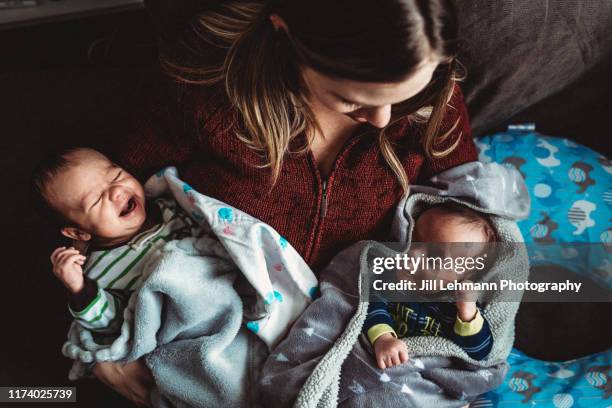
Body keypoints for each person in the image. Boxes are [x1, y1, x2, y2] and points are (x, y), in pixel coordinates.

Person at [94, 0, 478, 405]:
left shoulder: (434, 94)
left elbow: (474, 208)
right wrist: (103, 342)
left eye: (403, 98)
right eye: (351, 99)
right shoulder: (205, 91)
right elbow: (97, 194)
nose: (383, 119)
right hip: (218, 335)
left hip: (366, 335)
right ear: (286, 37)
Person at [32, 147, 200, 333]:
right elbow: (115, 324)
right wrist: (78, 289)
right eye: (96, 200)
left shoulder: (168, 205)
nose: (116, 192)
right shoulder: (98, 273)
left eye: (116, 176)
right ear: (79, 233)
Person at [363, 203, 496, 370]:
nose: (413, 253)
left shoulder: (456, 307)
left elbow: (478, 353)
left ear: (463, 278)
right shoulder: (389, 279)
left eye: (435, 256)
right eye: (414, 239)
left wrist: (468, 314)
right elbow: (370, 303)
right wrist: (383, 338)